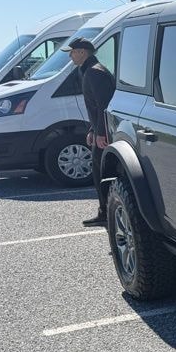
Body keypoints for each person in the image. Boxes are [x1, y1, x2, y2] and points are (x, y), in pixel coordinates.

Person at [65, 37, 115, 227]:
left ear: (82, 52)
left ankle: (106, 212)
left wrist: (101, 133)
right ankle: (105, 211)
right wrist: (93, 130)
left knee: (101, 172)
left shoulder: (95, 73)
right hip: (100, 130)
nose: (70, 56)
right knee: (97, 172)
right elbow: (94, 106)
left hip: (106, 133)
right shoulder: (88, 70)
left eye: (72, 52)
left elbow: (104, 105)